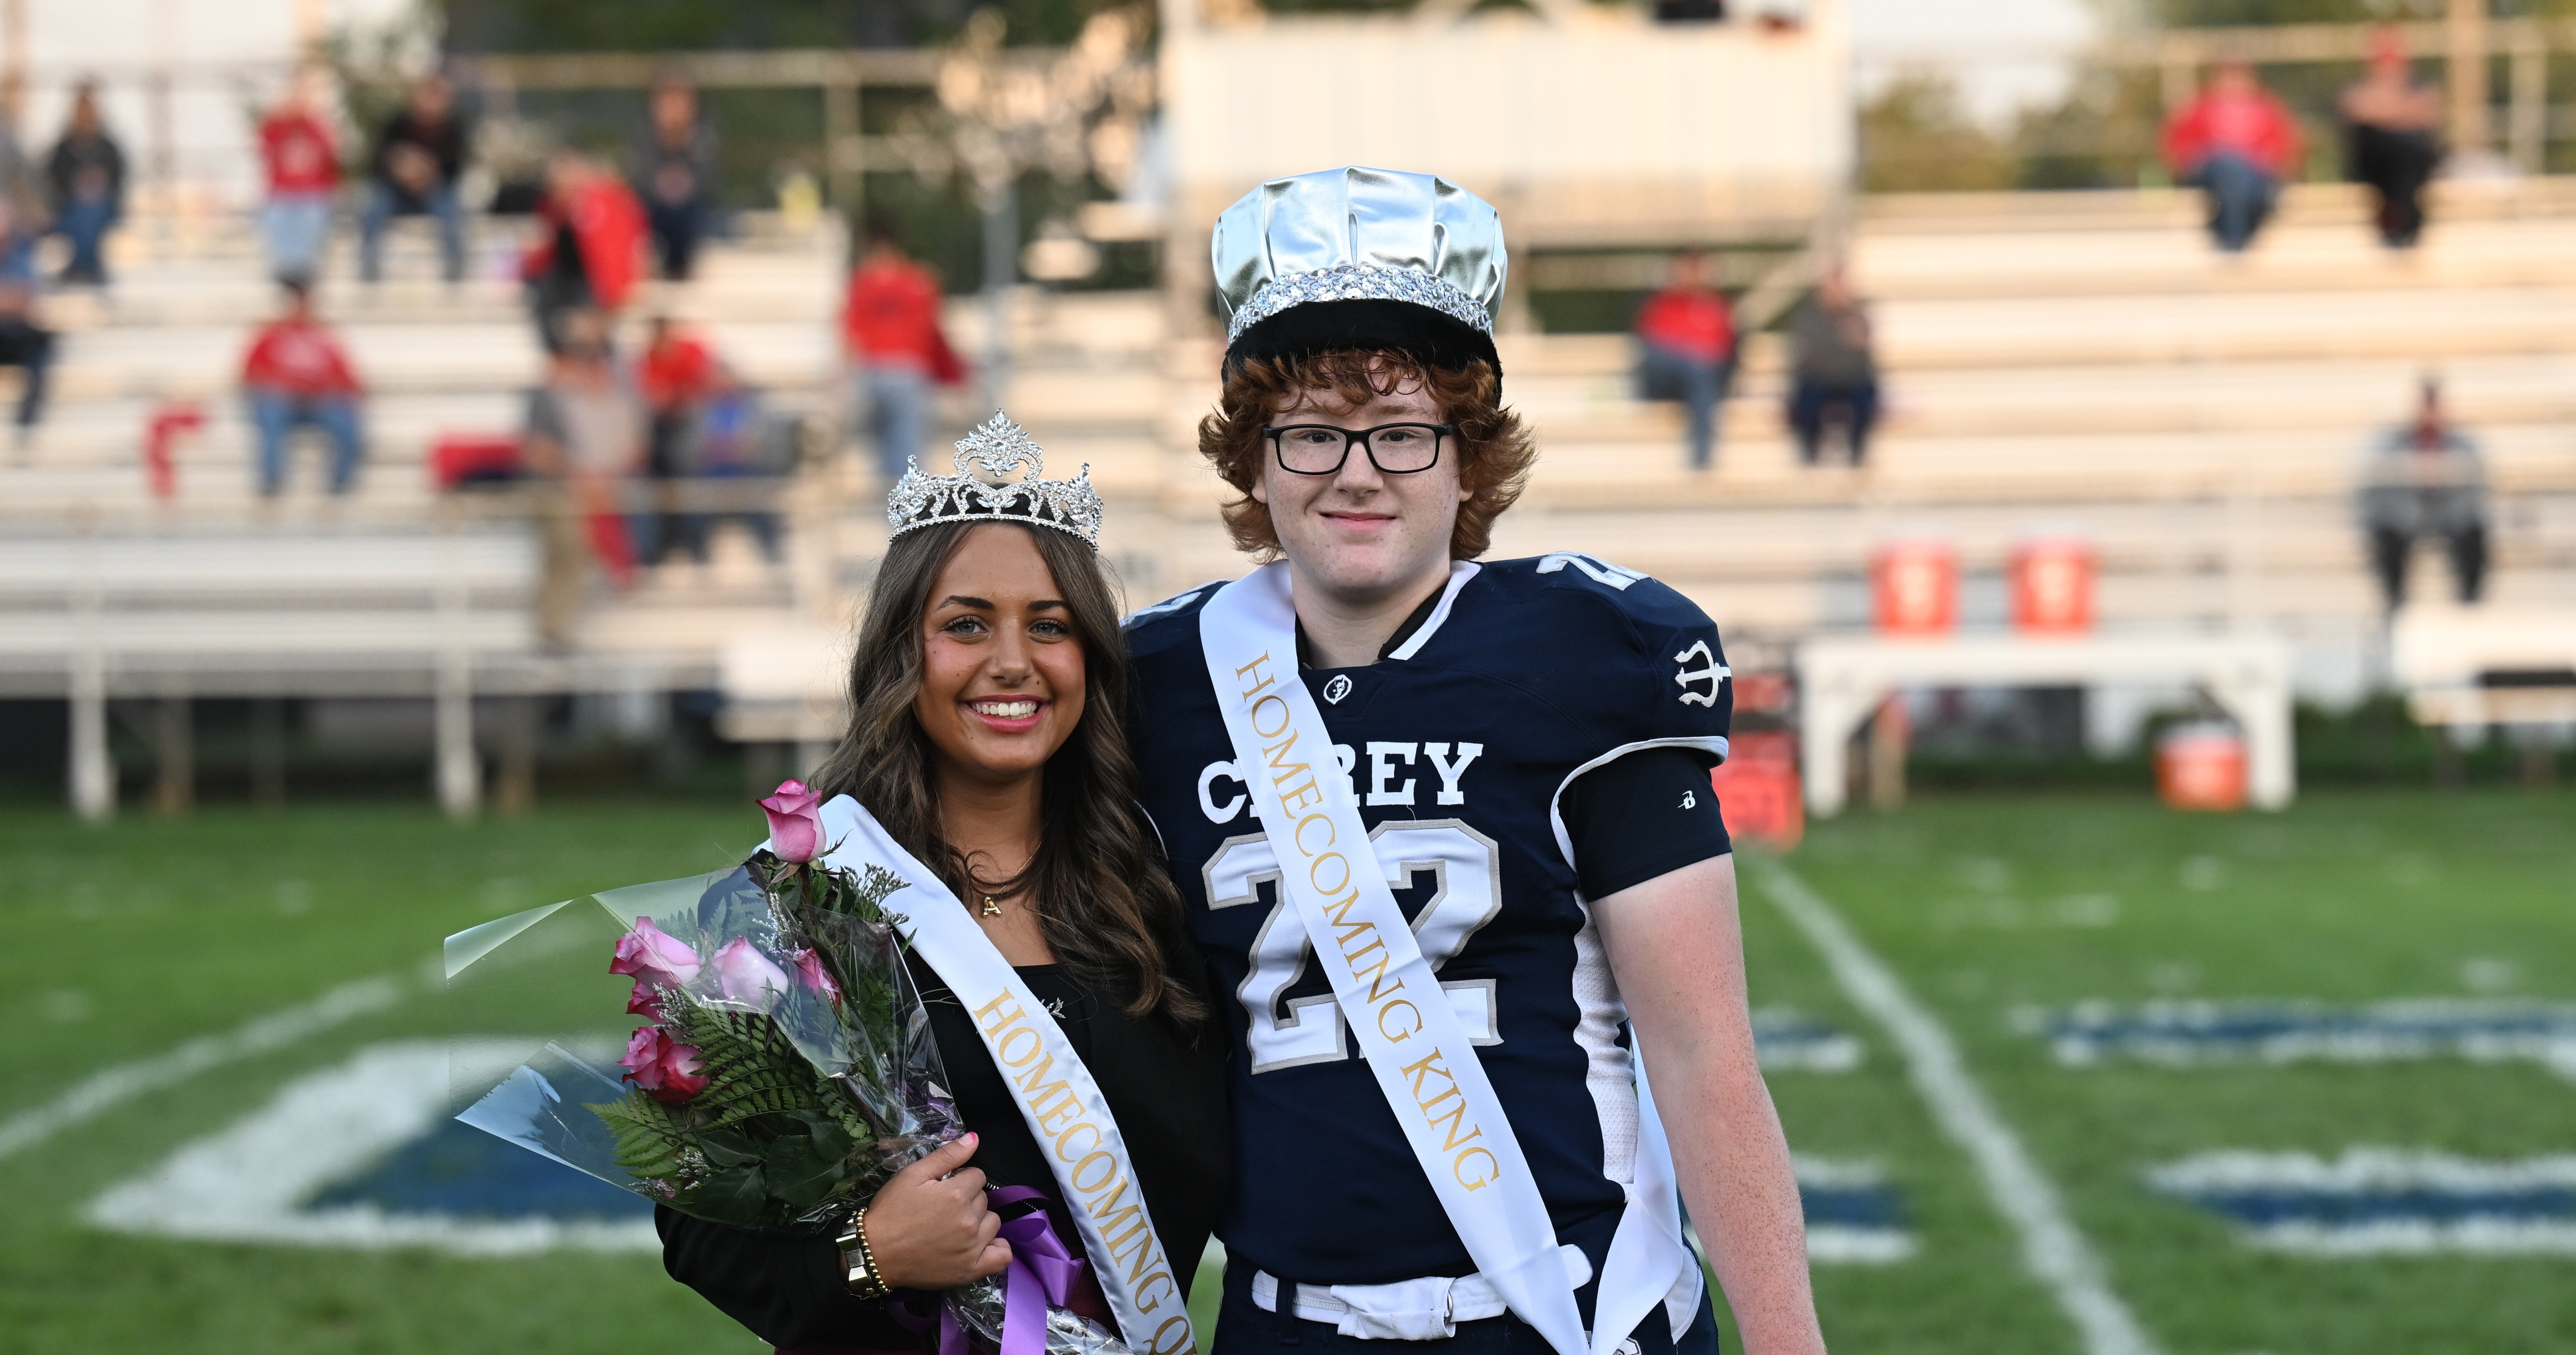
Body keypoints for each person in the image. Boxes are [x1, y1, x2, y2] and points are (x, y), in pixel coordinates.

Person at [1126, 166, 1825, 1355]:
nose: (1356, 471)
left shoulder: (1589, 652)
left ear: (1468, 457)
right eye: (1309, 433)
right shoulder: (1162, 679)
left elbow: (1703, 1045)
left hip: (1573, 1316)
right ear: (1254, 459)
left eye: (1401, 432)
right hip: (1287, 1324)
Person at [657, 420, 1229, 1353]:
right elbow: (702, 1231)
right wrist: (871, 1254)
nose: (1013, 661)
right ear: (901, 653)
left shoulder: (1158, 891)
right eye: (966, 624)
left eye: (1050, 625)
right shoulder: (796, 900)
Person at [521, 307, 644, 646]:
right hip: (559, 489)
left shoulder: (611, 395)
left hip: (598, 485)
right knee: (569, 549)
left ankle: (570, 626)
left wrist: (603, 477)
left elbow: (631, 445)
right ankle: (554, 631)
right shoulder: (548, 395)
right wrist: (580, 475)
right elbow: (537, 452)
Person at [843, 220, 966, 482]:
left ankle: (890, 503)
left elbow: (851, 337)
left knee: (881, 449)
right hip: (908, 370)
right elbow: (933, 332)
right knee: (908, 449)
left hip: (875, 369)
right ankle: (906, 508)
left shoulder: (862, 284)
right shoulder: (918, 282)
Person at [2359, 377, 2487, 611]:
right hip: (2407, 518)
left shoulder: (2461, 444)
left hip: (2450, 517)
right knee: (2386, 538)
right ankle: (2395, 606)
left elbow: (2475, 489)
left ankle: (2470, 606)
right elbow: (2378, 489)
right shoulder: (2394, 444)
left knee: (2474, 536)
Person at [2162, 62, 2305, 254]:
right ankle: (2235, 240)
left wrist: (2272, 162)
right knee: (2229, 166)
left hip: (2256, 175)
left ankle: (2234, 238)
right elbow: (2177, 143)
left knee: (2244, 178)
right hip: (2215, 172)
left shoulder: (2267, 108)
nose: (2233, 83)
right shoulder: (2200, 107)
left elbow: (2288, 144)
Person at [240, 281, 365, 497]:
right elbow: (248, 374)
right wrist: (285, 385)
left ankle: (339, 485)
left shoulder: (325, 337)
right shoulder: (270, 334)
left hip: (318, 403)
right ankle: (271, 482)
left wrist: (322, 388)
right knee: (271, 413)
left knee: (346, 423)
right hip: (281, 401)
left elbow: (351, 381)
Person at [521, 149, 646, 353]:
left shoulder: (602, 206)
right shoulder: (554, 211)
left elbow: (614, 260)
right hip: (568, 295)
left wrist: (603, 313)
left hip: (597, 299)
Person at [2339, 28, 2444, 251]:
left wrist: (2382, 110)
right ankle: (2396, 227)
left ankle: (2402, 229)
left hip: (2410, 167)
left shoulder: (2421, 87)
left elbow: (2428, 110)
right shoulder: (2357, 90)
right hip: (2376, 167)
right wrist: (2400, 110)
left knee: (2408, 152)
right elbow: (2355, 109)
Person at [359, 72, 468, 284]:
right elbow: (380, 162)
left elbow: (455, 169)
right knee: (373, 209)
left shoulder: (453, 129)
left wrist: (426, 172)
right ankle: (369, 264)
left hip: (434, 192)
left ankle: (455, 267)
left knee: (453, 212)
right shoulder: (397, 124)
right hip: (396, 192)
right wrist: (403, 170)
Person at [1633, 250, 1736, 472]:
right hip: (1664, 379)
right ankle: (1702, 460)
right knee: (1695, 368)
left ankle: (1701, 461)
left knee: (1701, 375)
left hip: (1702, 381)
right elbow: (1649, 345)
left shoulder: (1716, 308)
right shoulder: (1661, 304)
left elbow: (1726, 352)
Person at [635, 312, 722, 565]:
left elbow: (704, 386)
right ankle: (662, 548)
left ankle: (697, 545)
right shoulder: (646, 361)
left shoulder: (693, 352)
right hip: (661, 433)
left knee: (692, 485)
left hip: (691, 433)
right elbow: (652, 399)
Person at [1787, 265, 1877, 467]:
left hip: (1852, 380)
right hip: (1819, 380)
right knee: (1805, 398)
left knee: (1866, 395)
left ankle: (1858, 455)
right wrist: (1843, 341)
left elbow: (1862, 354)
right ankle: (1810, 454)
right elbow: (1810, 354)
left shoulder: (1859, 316)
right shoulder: (1809, 318)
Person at [257, 67, 340, 285]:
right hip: (282, 192)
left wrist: (311, 116)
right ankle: (288, 272)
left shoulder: (320, 125)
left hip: (313, 193)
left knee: (314, 218)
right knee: (274, 219)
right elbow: (265, 150)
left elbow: (331, 157)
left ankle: (302, 273)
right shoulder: (276, 125)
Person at [633, 71, 718, 282]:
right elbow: (643, 179)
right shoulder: (644, 134)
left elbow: (707, 183)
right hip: (656, 211)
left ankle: (679, 269)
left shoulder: (704, 134)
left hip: (693, 213)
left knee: (684, 215)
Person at [44, 80, 125, 287]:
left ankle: (82, 267)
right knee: (81, 216)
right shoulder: (63, 149)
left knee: (91, 214)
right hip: (69, 207)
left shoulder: (109, 148)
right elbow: (51, 181)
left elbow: (119, 181)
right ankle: (88, 267)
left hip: (102, 206)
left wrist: (98, 185)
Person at [0, 279, 53, 438]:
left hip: (16, 333)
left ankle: (30, 408)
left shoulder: (20, 262)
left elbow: (26, 300)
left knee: (41, 342)